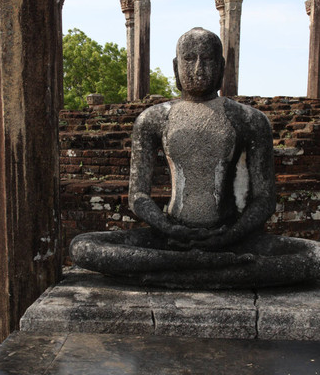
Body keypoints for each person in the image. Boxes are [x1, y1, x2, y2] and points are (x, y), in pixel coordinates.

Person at [70, 27, 320, 289]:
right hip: (171, 237)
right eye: (189, 59)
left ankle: (172, 270)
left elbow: (265, 199)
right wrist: (169, 228)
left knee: (314, 257)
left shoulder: (250, 120)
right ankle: (218, 269)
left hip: (230, 237)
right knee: (82, 247)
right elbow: (138, 197)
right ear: (176, 66)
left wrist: (229, 235)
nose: (198, 68)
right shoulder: (153, 119)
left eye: (208, 59)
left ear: (221, 66)